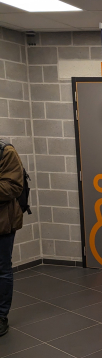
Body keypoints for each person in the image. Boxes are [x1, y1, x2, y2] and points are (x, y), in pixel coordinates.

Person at [0, 142, 24, 337]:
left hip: (2, 223)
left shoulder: (6, 151)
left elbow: (14, 186)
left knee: (2, 269)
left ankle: (1, 316)